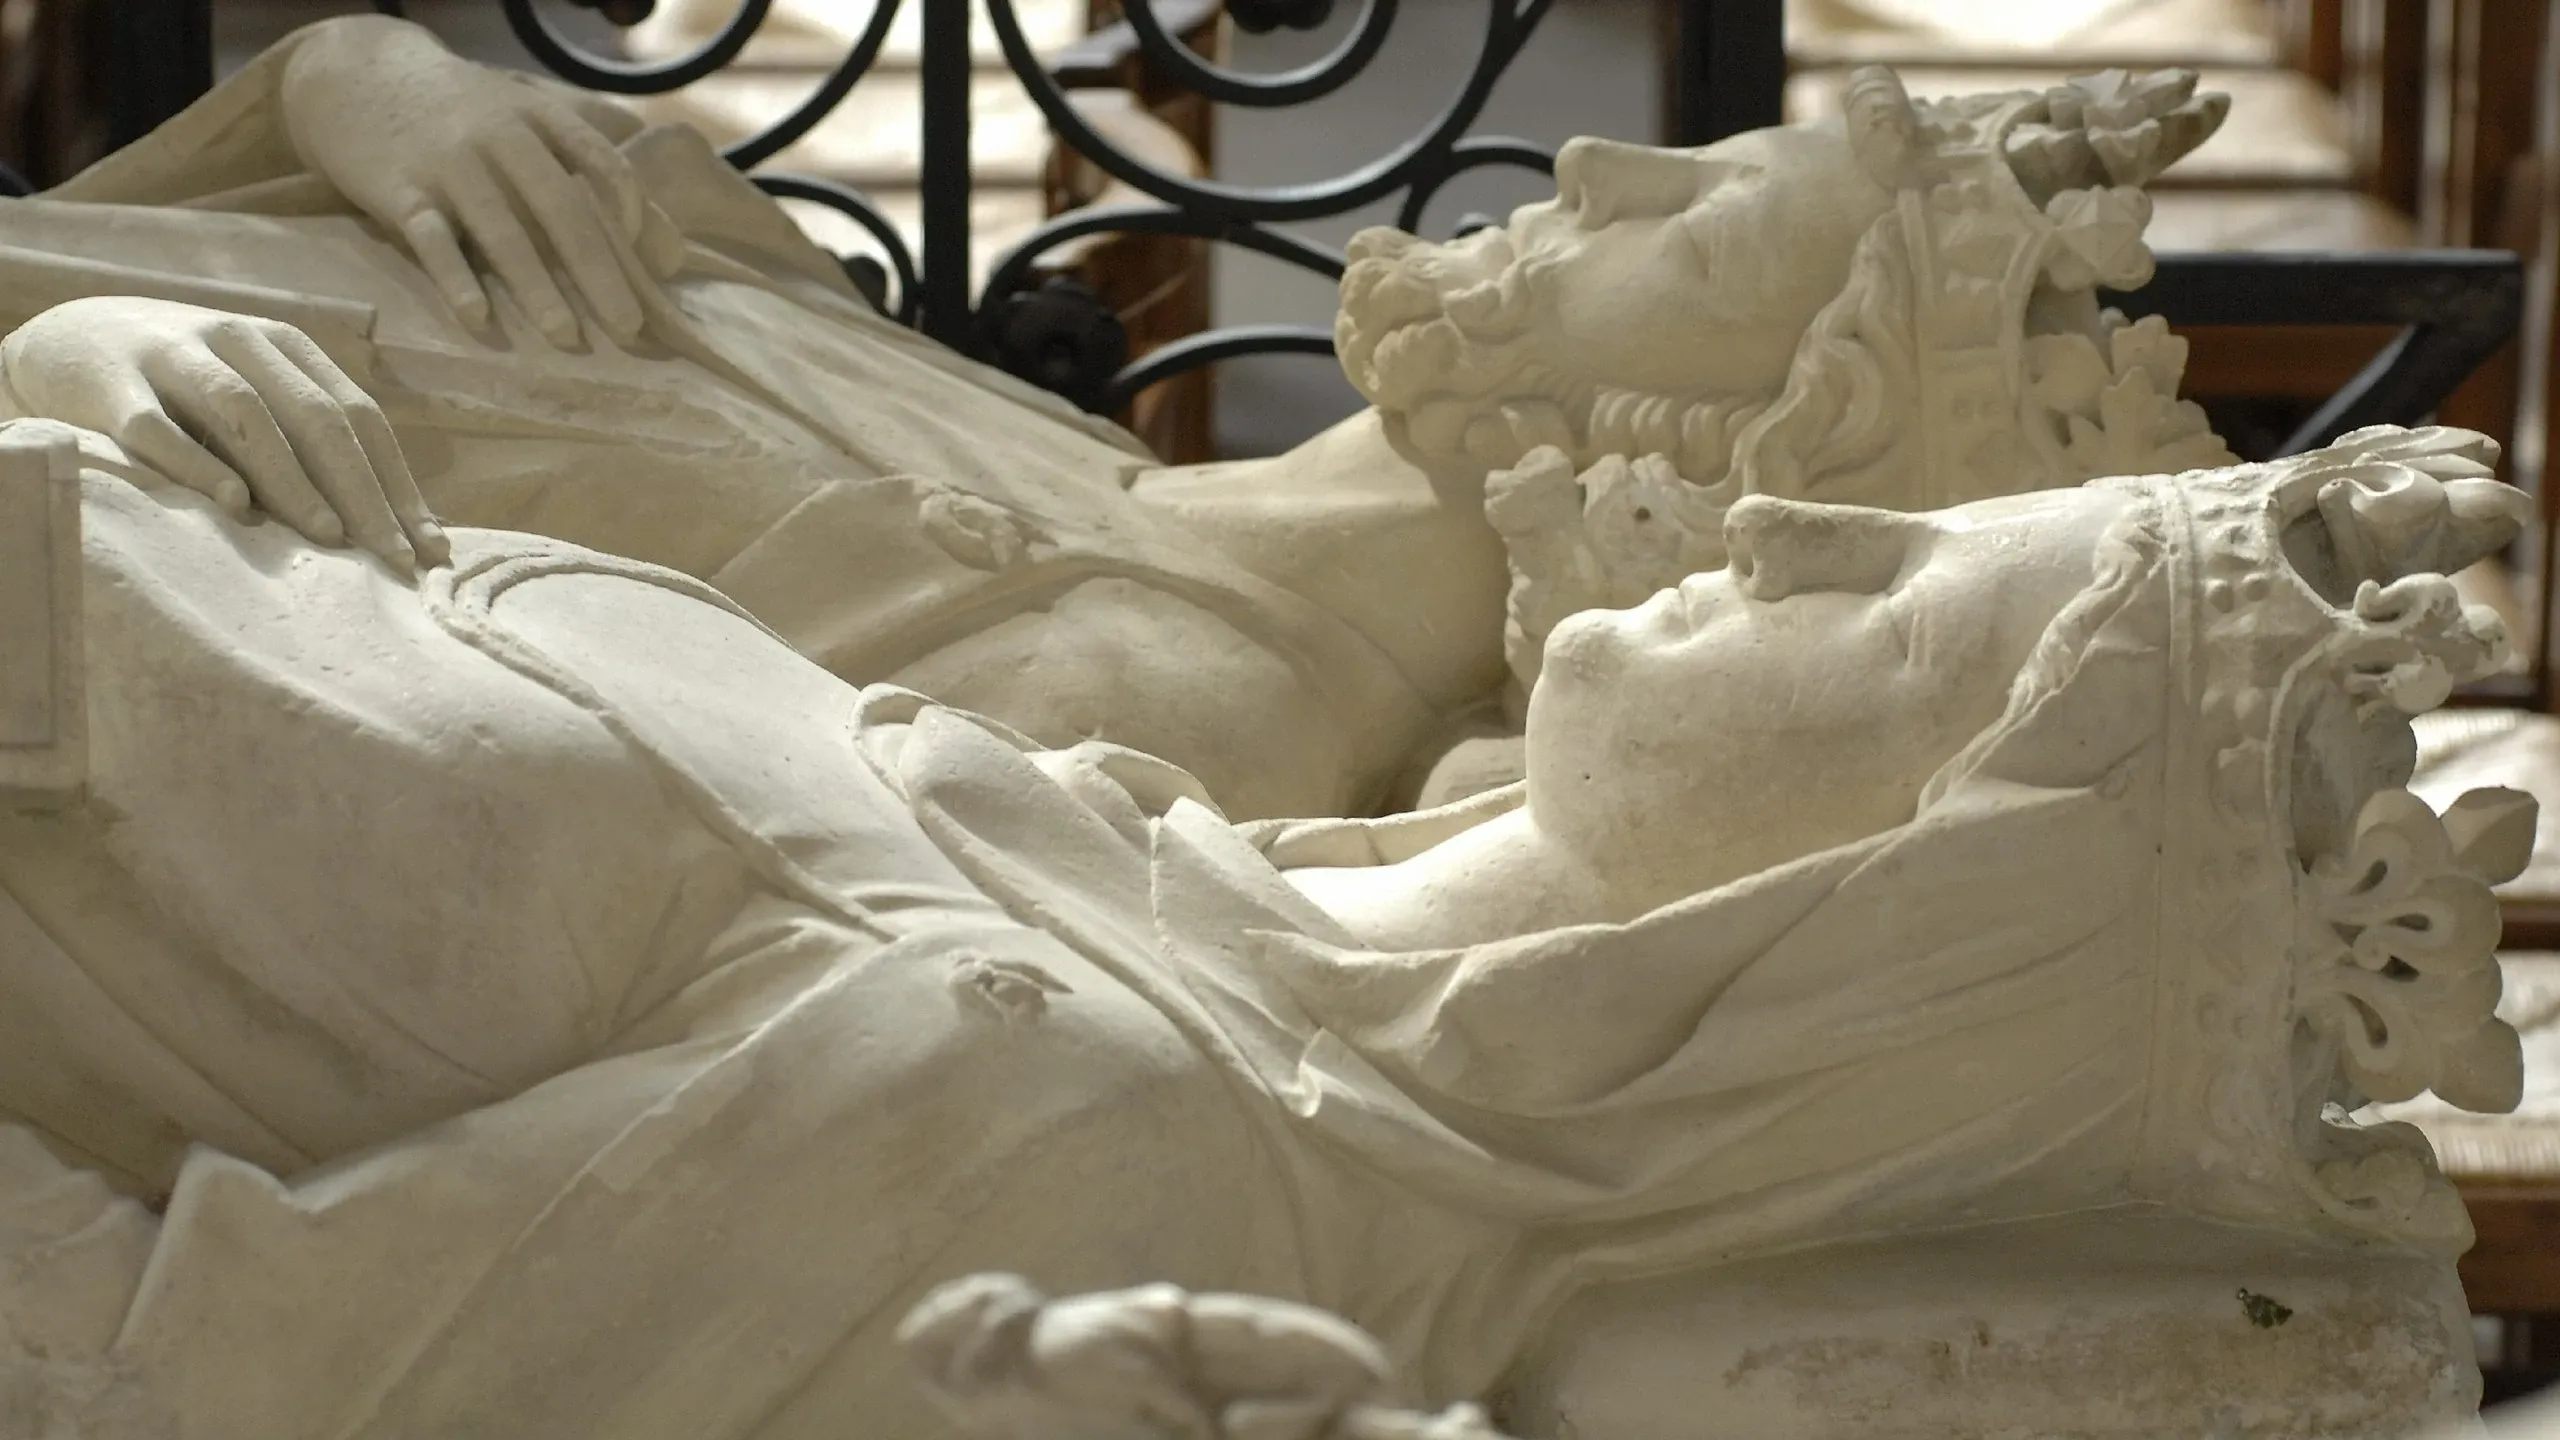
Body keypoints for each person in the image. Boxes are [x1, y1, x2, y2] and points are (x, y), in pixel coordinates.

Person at [0, 419, 2522, 1437]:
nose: (1787, 525)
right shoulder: (1150, 873)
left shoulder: (1076, 1108)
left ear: (1874, 909)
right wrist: (119, 361)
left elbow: (174, 1375)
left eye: (1894, 615)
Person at [0, 18, 2228, 818]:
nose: (1597, 175)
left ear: (1728, 459)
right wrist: (356, 73)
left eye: (1710, 235)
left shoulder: (1171, 731)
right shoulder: (1090, 478)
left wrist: (62, 415)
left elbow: (364, 791)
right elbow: (628, 217)